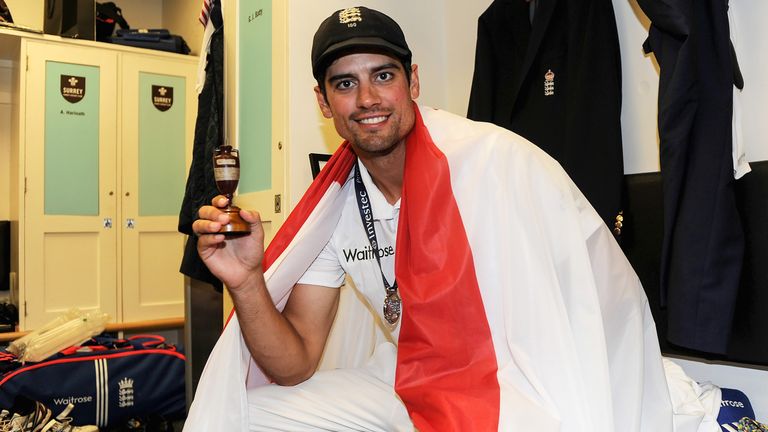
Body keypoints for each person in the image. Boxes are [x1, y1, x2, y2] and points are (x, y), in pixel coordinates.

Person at [184, 6, 673, 432]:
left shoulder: (494, 162)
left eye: (383, 75)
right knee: (238, 414)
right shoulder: (333, 205)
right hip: (403, 379)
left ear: (412, 81)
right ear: (323, 100)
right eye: (346, 83)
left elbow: (596, 295)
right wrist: (247, 282)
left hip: (508, 377)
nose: (368, 99)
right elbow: (296, 363)